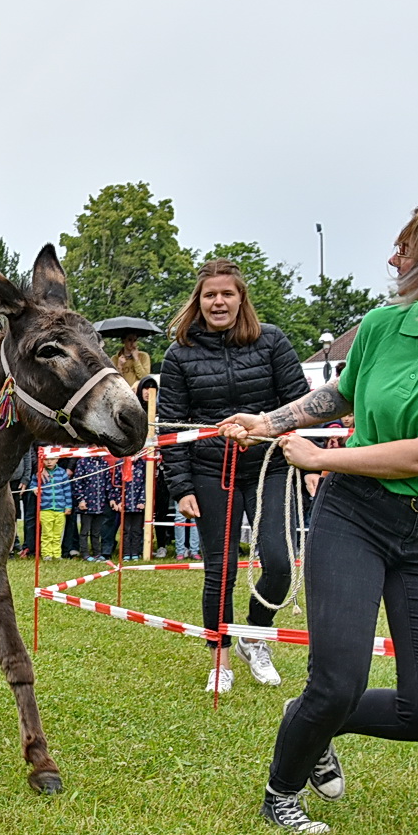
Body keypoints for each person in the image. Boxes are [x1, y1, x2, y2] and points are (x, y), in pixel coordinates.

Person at [225, 199, 418, 835]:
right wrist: (275, 421)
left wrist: (323, 460)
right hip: (356, 520)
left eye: (407, 249)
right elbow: (341, 394)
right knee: (338, 679)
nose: (393, 259)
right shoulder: (381, 325)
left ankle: (309, 718)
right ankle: (282, 791)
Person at [159, 258, 310, 693]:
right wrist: (182, 487)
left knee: (280, 564)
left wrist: (300, 453)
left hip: (269, 467)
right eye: (210, 295)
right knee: (219, 569)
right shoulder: (180, 353)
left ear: (241, 298)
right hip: (210, 470)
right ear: (199, 301)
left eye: (227, 293)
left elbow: (297, 405)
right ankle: (220, 661)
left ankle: (254, 636)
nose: (218, 301)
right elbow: (171, 424)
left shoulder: (272, 342)